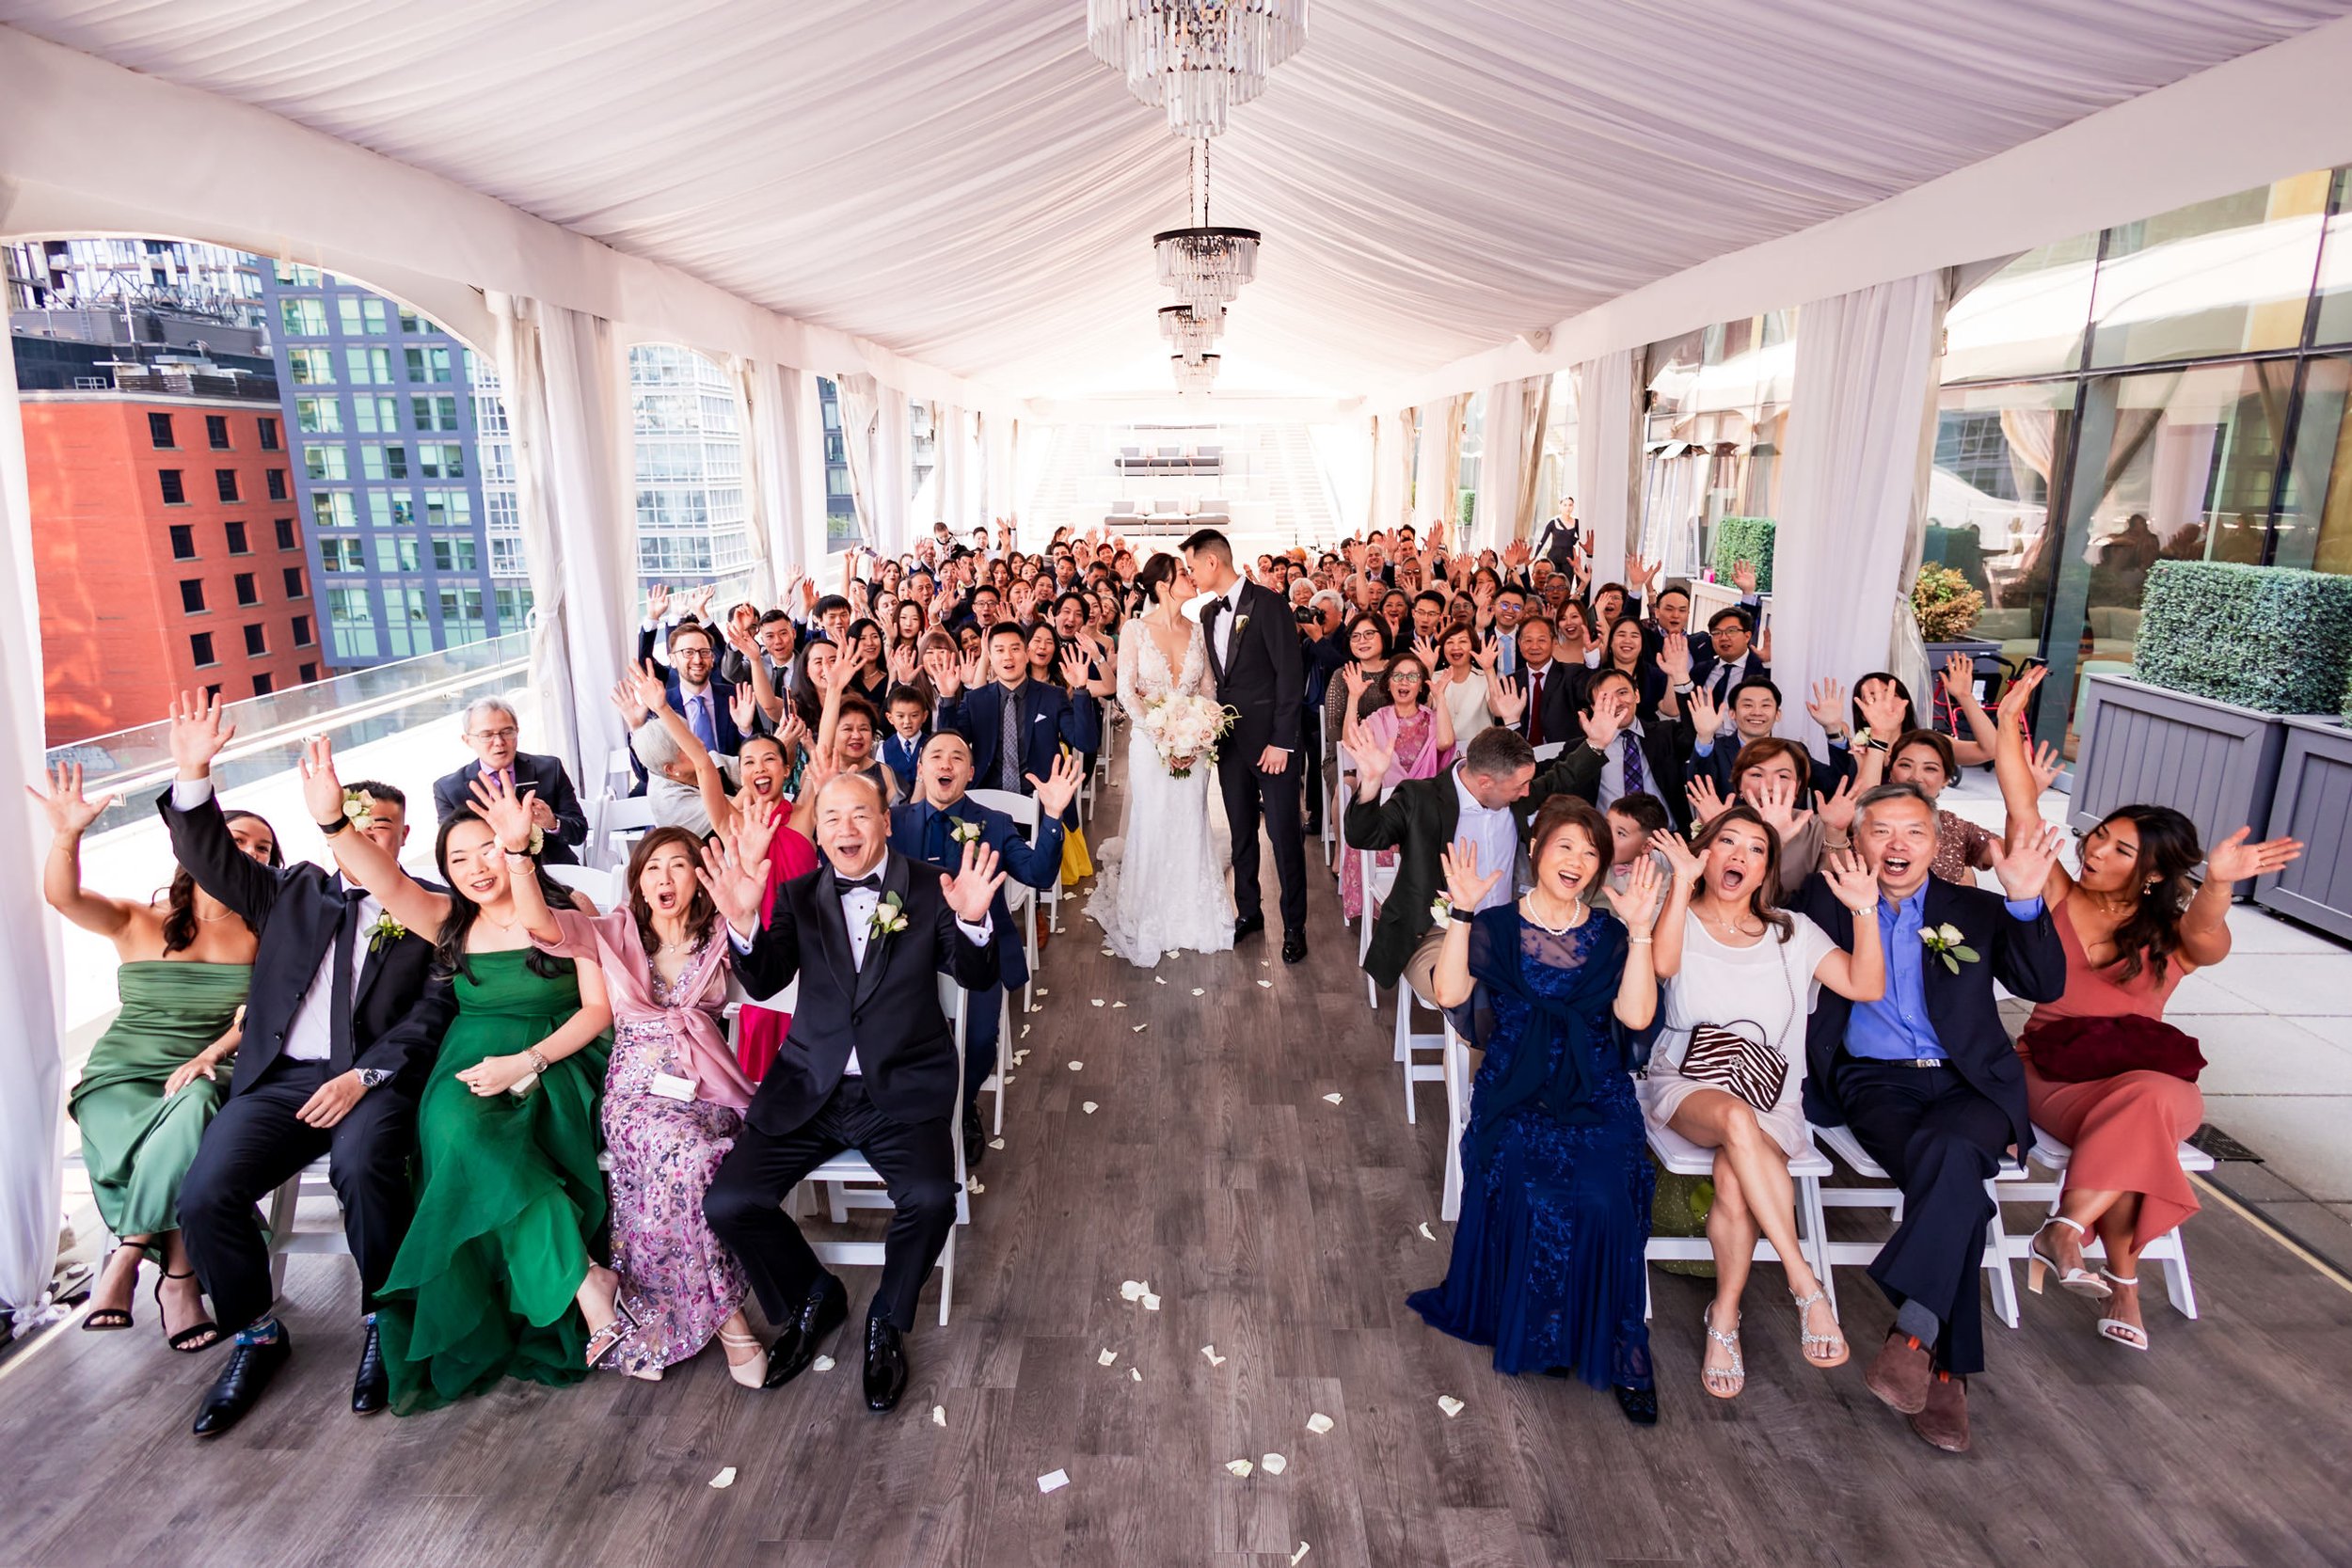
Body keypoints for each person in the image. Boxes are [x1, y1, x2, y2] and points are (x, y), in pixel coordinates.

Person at [295, 737, 618, 1417]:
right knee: (458, 1129)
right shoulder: (446, 920)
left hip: (561, 1052)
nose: (476, 868)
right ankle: (584, 1278)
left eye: (489, 850)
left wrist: (527, 1063)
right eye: (458, 859)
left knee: (517, 1138)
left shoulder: (574, 907)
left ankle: (582, 1282)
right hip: (469, 1055)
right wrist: (332, 821)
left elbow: (598, 1008)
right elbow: (381, 878)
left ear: (516, 846)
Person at [159, 695, 453, 1437]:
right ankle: (256, 1332)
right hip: (283, 1079)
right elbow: (208, 855)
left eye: (376, 824)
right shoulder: (288, 892)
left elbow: (432, 1014)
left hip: (372, 1080)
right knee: (205, 1193)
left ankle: (386, 1319)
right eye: (346, 819)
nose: (359, 833)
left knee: (362, 1169)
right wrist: (194, 771)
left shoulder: (430, 907)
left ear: (403, 834)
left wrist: (366, 1076)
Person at [1992, 669, 2300, 1352]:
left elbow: (2210, 937)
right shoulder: (2061, 896)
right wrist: (2010, 719)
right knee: (2148, 1117)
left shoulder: (2174, 936)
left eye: (2119, 848)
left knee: (2149, 1100)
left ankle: (2067, 1228)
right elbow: (2021, 809)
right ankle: (2117, 1275)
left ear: (2156, 873)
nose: (2095, 847)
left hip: (2144, 1081)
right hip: (2055, 1074)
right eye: (2099, 835)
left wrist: (2218, 882)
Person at [697, 776, 1005, 1412]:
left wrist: (974, 924)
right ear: (819, 831)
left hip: (904, 1085)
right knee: (729, 1200)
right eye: (831, 816)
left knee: (928, 1196)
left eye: (859, 814)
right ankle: (814, 1293)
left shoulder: (930, 885)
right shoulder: (800, 893)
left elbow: (974, 975)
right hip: (810, 1084)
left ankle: (887, 1318)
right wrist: (744, 920)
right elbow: (764, 979)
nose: (844, 827)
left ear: (885, 822)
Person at [1792, 784, 2066, 1454]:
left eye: (1913, 831)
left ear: (1934, 841)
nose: (1896, 845)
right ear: (1856, 841)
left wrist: (2028, 902)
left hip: (1970, 1081)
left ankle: (1916, 1335)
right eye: (1879, 830)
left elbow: (2044, 983)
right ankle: (1943, 1364)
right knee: (1957, 1185)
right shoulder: (1821, 904)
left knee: (1948, 1157)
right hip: (1872, 1082)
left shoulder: (1972, 907)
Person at [482, 778, 770, 1388]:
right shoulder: (613, 932)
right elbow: (542, 922)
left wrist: (745, 892)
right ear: (637, 882)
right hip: (637, 1093)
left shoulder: (723, 933)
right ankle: (730, 1320)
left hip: (707, 1089)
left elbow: (768, 965)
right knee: (683, 1162)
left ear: (700, 876)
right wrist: (517, 854)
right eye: (652, 868)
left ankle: (693, 1314)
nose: (664, 878)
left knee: (691, 1161)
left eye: (679, 866)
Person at [1406, 802, 1667, 1423]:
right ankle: (1546, 1328)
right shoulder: (1494, 923)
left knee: (1607, 1191)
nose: (1576, 862)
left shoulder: (1609, 931)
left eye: (1590, 853)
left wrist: (1641, 933)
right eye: (1566, 846)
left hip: (1597, 1087)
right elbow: (1448, 994)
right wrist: (1463, 911)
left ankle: (1625, 1343)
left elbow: (1634, 1018)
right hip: (1514, 1090)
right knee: (1528, 1182)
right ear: (1536, 846)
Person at [1641, 807, 1884, 1399]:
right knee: (1732, 1119)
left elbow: (1866, 985)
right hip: (1686, 1082)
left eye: (1756, 849)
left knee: (1733, 1173)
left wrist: (1864, 910)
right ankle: (1805, 1281)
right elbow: (1663, 964)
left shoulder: (1793, 932)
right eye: (1727, 843)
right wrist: (1679, 883)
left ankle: (1724, 1316)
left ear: (1767, 870)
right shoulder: (1678, 917)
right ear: (1706, 853)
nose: (1740, 857)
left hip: (1772, 1094)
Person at [41, 763, 273, 1352]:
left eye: (261, 848)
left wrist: (213, 1054)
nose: (247, 851)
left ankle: (127, 1258)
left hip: (208, 1068)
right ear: (200, 848)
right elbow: (63, 897)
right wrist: (68, 834)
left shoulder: (265, 935)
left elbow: (261, 1019)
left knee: (195, 1098)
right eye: (235, 839)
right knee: (189, 1131)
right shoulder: (136, 919)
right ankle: (180, 1278)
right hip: (121, 1077)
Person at [895, 734, 1078, 1158]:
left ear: (970, 773)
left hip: (976, 953)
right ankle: (918, 1114)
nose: (946, 764)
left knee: (978, 1042)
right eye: (936, 756)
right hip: (906, 959)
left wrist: (1051, 816)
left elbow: (1037, 874)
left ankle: (962, 1109)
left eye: (957, 758)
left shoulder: (993, 822)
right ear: (920, 769)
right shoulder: (894, 821)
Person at [1089, 553, 1239, 967]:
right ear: (1163, 585)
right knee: (1154, 819)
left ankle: (1194, 911)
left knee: (1190, 818)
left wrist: (1196, 733)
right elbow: (1125, 692)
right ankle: (1148, 907)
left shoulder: (1198, 630)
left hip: (1193, 746)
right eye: (1183, 575)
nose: (1192, 579)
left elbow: (1208, 689)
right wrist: (1163, 736)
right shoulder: (1135, 628)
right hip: (1150, 742)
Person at [1184, 528, 1311, 964]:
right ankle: (1249, 912)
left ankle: (1295, 926)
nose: (1192, 574)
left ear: (1213, 562)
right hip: (1230, 744)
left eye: (1193, 565)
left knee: (1283, 835)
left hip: (1271, 745)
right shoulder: (1205, 614)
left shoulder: (1269, 604)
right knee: (1241, 833)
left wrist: (1282, 742)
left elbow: (1291, 678)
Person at [935, 623, 1100, 829]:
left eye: (1015, 649)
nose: (1008, 657)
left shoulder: (1052, 696)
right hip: (986, 803)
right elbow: (949, 745)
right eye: (1000, 650)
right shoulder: (976, 700)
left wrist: (1081, 689)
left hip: (1041, 804)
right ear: (990, 657)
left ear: (1027, 653)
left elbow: (1086, 743)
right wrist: (948, 698)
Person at [1337, 654, 1456, 922]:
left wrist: (1441, 698)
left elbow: (1446, 742)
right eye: (1398, 676)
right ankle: (1382, 909)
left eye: (1412, 676)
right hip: (1386, 815)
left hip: (1423, 813)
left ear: (1420, 684)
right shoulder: (1378, 718)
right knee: (1369, 831)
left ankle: (1421, 908)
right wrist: (1354, 697)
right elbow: (1350, 741)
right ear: (1388, 683)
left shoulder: (1431, 718)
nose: (1405, 682)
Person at [430, 697, 590, 864]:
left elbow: (579, 832)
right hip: (494, 879)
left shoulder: (550, 768)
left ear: (517, 732)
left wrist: (551, 822)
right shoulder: (448, 789)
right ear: (468, 740)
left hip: (555, 874)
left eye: (507, 732)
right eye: (487, 735)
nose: (499, 742)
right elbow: (452, 851)